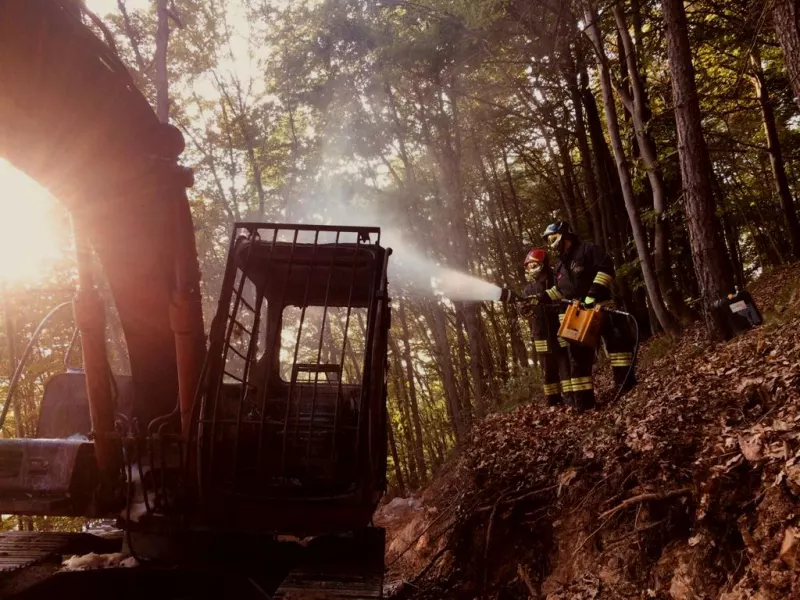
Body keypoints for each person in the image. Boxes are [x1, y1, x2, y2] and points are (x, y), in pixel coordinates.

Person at [531, 221, 636, 411]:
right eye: (549, 241)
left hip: (602, 308)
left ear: (565, 236)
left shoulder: (588, 250)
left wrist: (592, 295)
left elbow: (606, 268)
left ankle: (626, 389)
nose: (551, 244)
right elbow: (559, 291)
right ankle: (584, 404)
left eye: (553, 239)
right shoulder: (560, 267)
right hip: (578, 316)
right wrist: (542, 297)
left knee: (618, 349)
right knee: (578, 359)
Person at [520, 248, 570, 406]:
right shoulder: (528, 289)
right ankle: (553, 401)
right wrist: (523, 309)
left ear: (542, 264)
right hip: (541, 335)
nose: (530, 269)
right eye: (528, 266)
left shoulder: (556, 280)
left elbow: (564, 294)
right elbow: (526, 314)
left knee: (565, 366)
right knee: (548, 372)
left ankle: (570, 398)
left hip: (560, 330)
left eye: (533, 265)